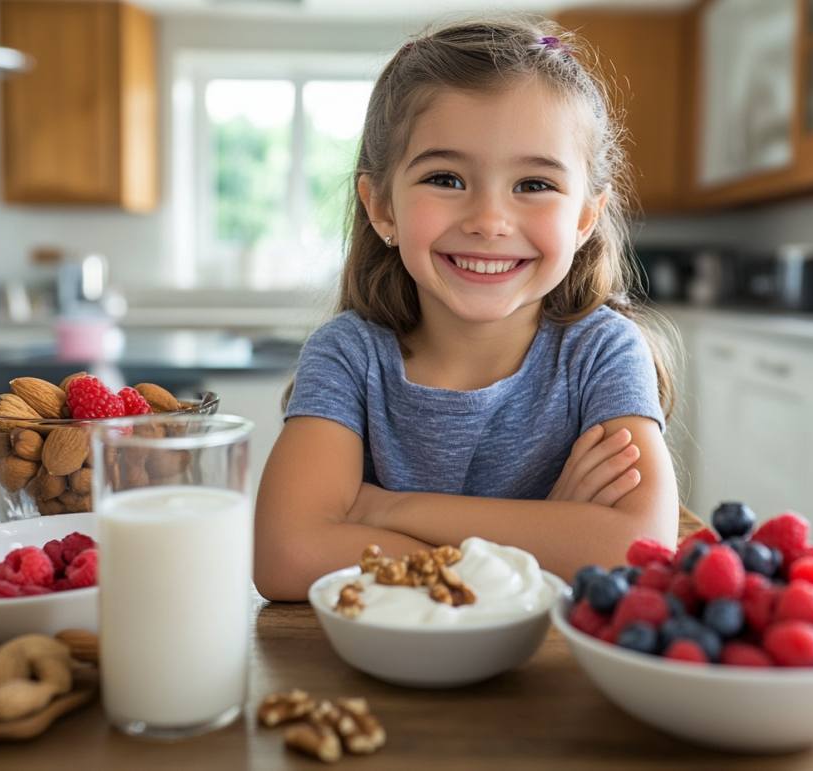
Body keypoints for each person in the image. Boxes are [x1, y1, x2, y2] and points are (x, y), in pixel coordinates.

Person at [254, 17, 680, 601]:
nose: (489, 220)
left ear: (584, 217)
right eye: (446, 177)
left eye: (534, 184)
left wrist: (388, 509)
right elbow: (287, 556)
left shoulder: (602, 353)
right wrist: (544, 540)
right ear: (381, 207)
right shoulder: (349, 356)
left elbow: (638, 550)